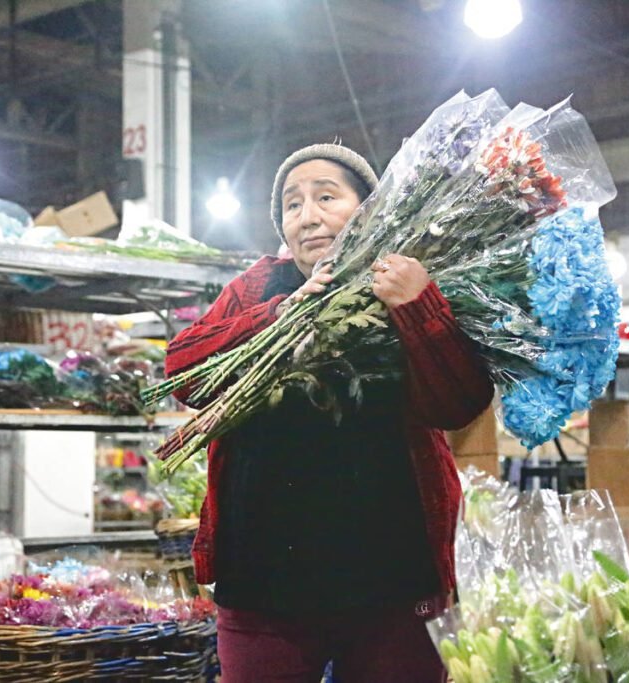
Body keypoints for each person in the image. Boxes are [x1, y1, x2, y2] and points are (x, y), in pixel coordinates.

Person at [165, 144, 493, 682]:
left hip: (392, 573)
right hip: (263, 577)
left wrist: (417, 305)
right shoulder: (255, 288)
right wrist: (278, 316)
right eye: (292, 206)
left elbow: (458, 405)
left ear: (368, 210)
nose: (308, 216)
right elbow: (183, 370)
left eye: (326, 197)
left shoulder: (408, 279)